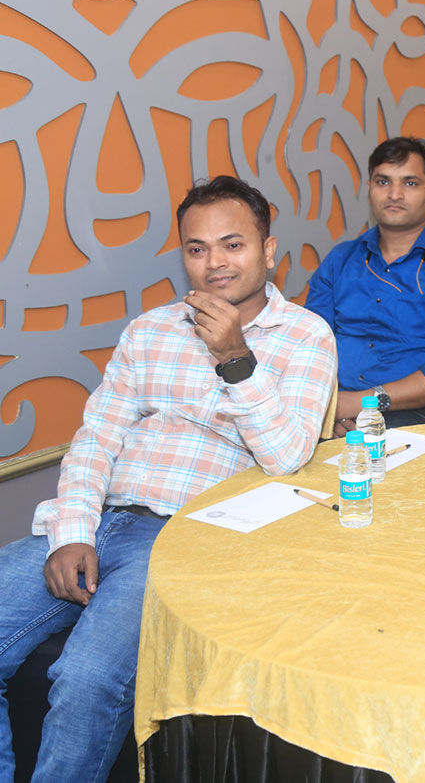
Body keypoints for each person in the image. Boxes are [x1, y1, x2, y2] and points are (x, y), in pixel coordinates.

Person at [0, 176, 337, 782]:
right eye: (197, 248)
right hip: (101, 519)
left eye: (233, 245)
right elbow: (95, 440)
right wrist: (72, 532)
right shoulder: (150, 330)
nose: (215, 263)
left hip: (183, 537)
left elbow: (287, 457)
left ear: (268, 250)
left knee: (85, 680)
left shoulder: (306, 335)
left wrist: (236, 357)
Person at [306, 136, 425, 431]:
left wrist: (359, 404)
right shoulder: (340, 260)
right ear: (369, 189)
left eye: (410, 183)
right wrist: (329, 411)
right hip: (328, 410)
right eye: (383, 182)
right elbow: (308, 349)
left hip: (411, 416)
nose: (394, 194)